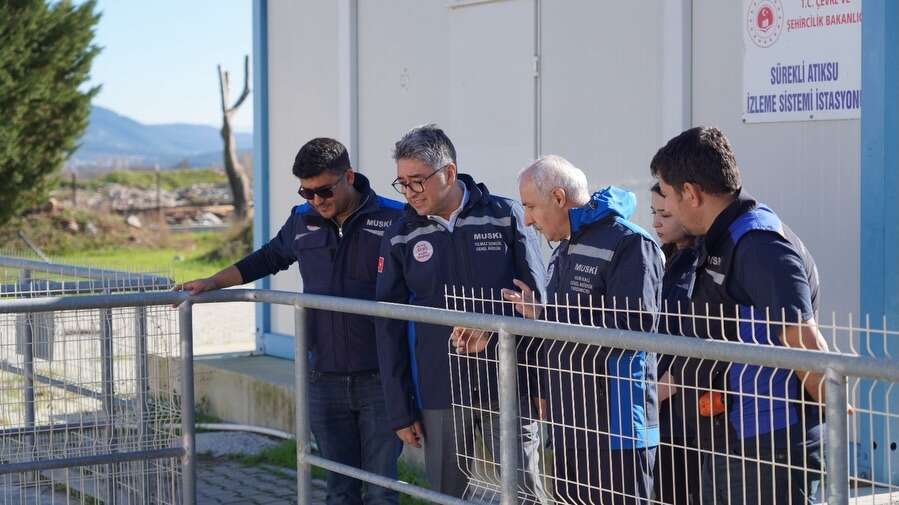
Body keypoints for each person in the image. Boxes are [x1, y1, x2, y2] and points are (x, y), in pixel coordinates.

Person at [177, 138, 404, 505]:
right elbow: (267, 258)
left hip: (380, 379)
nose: (316, 201)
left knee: (380, 490)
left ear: (348, 176)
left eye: (324, 191)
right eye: (306, 192)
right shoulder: (302, 220)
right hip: (323, 377)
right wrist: (213, 282)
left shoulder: (395, 219)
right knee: (339, 489)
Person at [650, 126, 825, 504]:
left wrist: (836, 416)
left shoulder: (758, 244)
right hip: (727, 439)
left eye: (667, 196)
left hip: (764, 447)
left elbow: (805, 341)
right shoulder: (721, 239)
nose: (667, 208)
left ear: (691, 193)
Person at [375, 124, 549, 503]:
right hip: (440, 391)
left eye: (417, 181)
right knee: (446, 497)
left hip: (508, 386)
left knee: (524, 495)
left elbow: (537, 305)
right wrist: (400, 409)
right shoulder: (400, 232)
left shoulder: (505, 215)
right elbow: (387, 326)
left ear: (449, 173)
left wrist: (540, 387)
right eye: (401, 183)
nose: (409, 193)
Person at [502, 155, 663, 505]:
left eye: (531, 207)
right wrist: (542, 315)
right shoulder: (563, 248)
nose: (527, 221)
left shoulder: (630, 243)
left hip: (617, 427)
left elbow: (633, 330)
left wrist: (551, 318)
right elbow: (568, 323)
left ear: (559, 198)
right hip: (569, 422)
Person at [649, 183, 702, 505]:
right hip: (663, 411)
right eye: (654, 213)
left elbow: (701, 334)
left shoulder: (699, 265)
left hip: (687, 412)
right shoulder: (665, 261)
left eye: (665, 214)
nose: (656, 222)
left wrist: (667, 385)